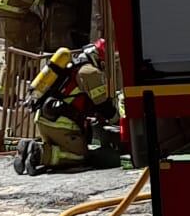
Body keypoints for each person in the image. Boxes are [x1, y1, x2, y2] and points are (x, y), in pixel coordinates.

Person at [14, 39, 117, 175]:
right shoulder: (90, 72)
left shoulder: (70, 66)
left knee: (59, 148)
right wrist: (117, 119)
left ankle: (27, 147)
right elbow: (103, 105)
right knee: (80, 156)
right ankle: (39, 153)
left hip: (44, 119)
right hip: (62, 124)